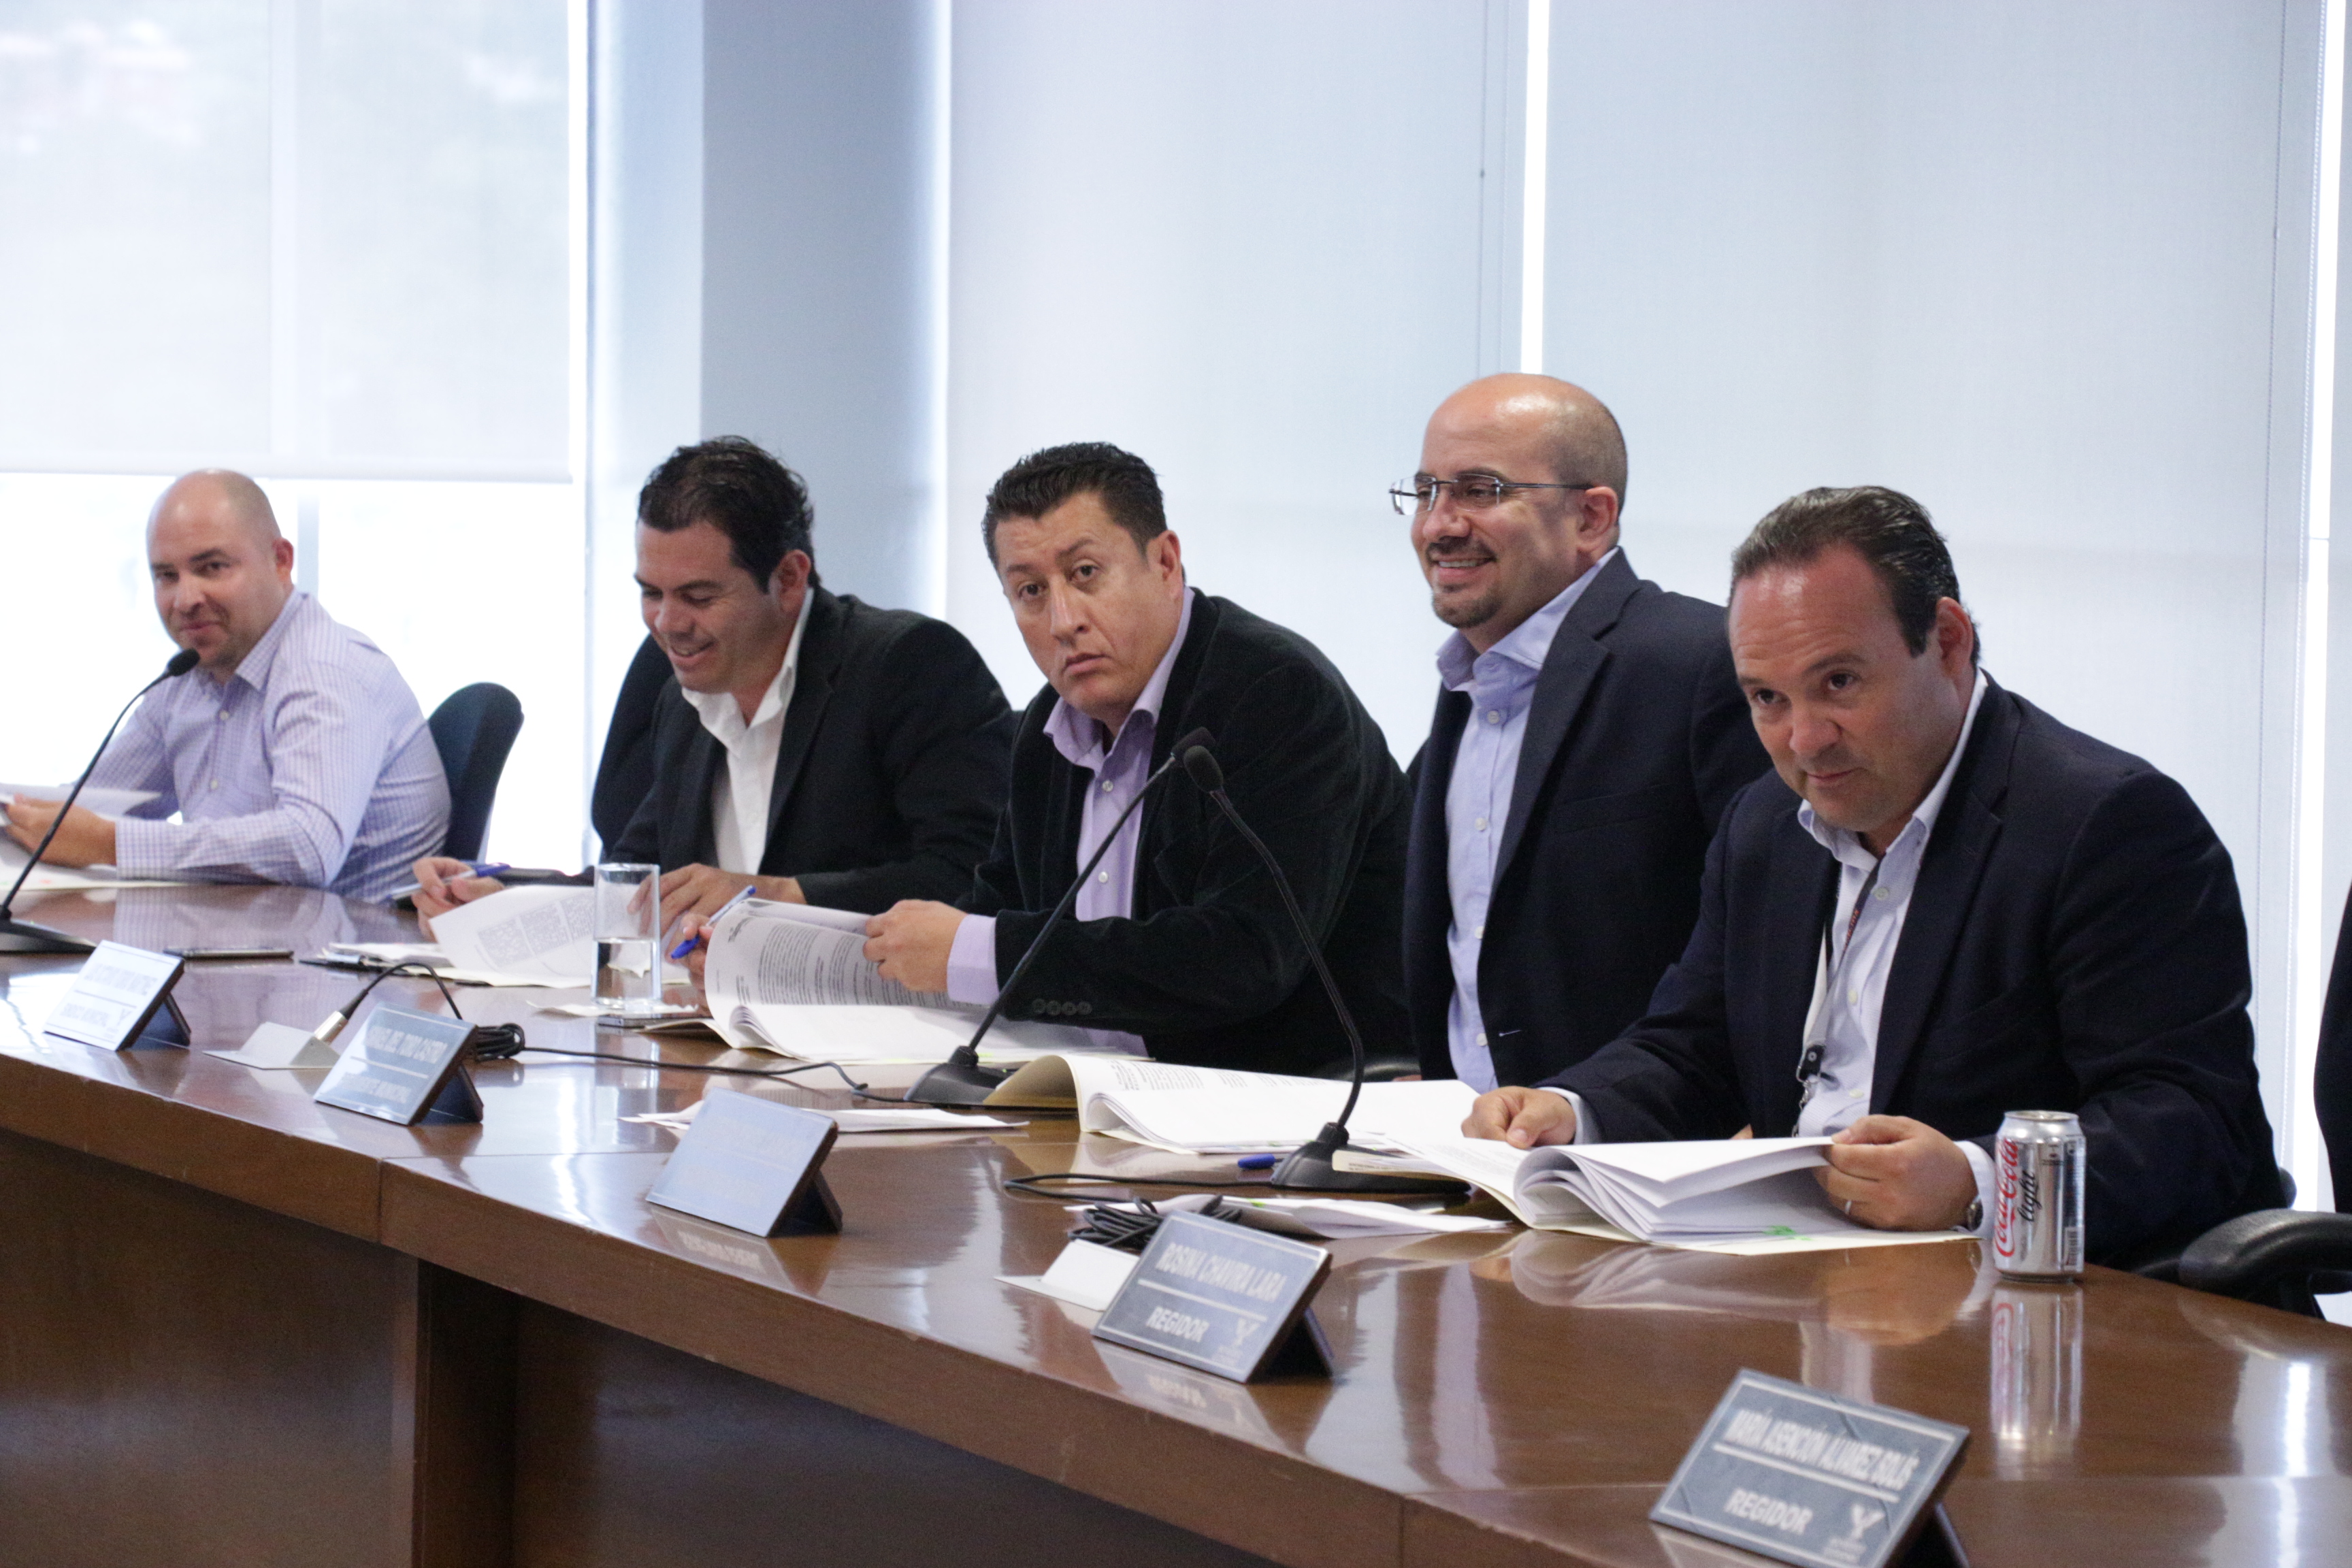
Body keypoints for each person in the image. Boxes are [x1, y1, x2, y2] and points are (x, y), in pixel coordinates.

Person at [1463, 485, 2279, 1264]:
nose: (1805, 739)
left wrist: (1978, 1180)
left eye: (1839, 683)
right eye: (1768, 698)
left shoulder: (2104, 824)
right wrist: (1570, 1109)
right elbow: (1696, 1047)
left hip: (2042, 1300)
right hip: (1806, 1276)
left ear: (1947, 642)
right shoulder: (1766, 825)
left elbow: (2193, 1121)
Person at [862, 442, 1410, 1076]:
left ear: (1166, 563)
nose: (1063, 620)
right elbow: (1000, 907)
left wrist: (982, 952)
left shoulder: (1276, 695)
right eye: (1031, 590)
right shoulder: (1049, 726)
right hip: (1094, 1091)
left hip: (1289, 1098)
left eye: (1085, 573)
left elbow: (1244, 957)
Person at [415, 437, 1014, 930]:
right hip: (715, 1018)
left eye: (698, 596)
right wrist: (506, 899)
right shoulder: (683, 696)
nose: (667, 624)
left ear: (788, 579)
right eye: (651, 593)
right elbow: (639, 881)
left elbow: (970, 877)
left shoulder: (907, 664)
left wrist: (774, 895)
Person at [1402, 374, 1765, 1090]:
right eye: (1425, 492)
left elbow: (1763, 948)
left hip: (1638, 1139)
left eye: (1479, 490)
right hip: (1466, 1138)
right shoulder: (1467, 686)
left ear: (1592, 518)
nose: (1438, 525)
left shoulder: (1704, 665)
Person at [3, 470, 448, 904]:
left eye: (212, 568)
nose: (185, 600)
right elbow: (93, 809)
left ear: (281, 561)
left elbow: (308, 847)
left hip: (345, 946)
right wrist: (11, 816)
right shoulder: (189, 676)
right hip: (240, 932)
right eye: (166, 576)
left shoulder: (325, 669)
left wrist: (111, 843)